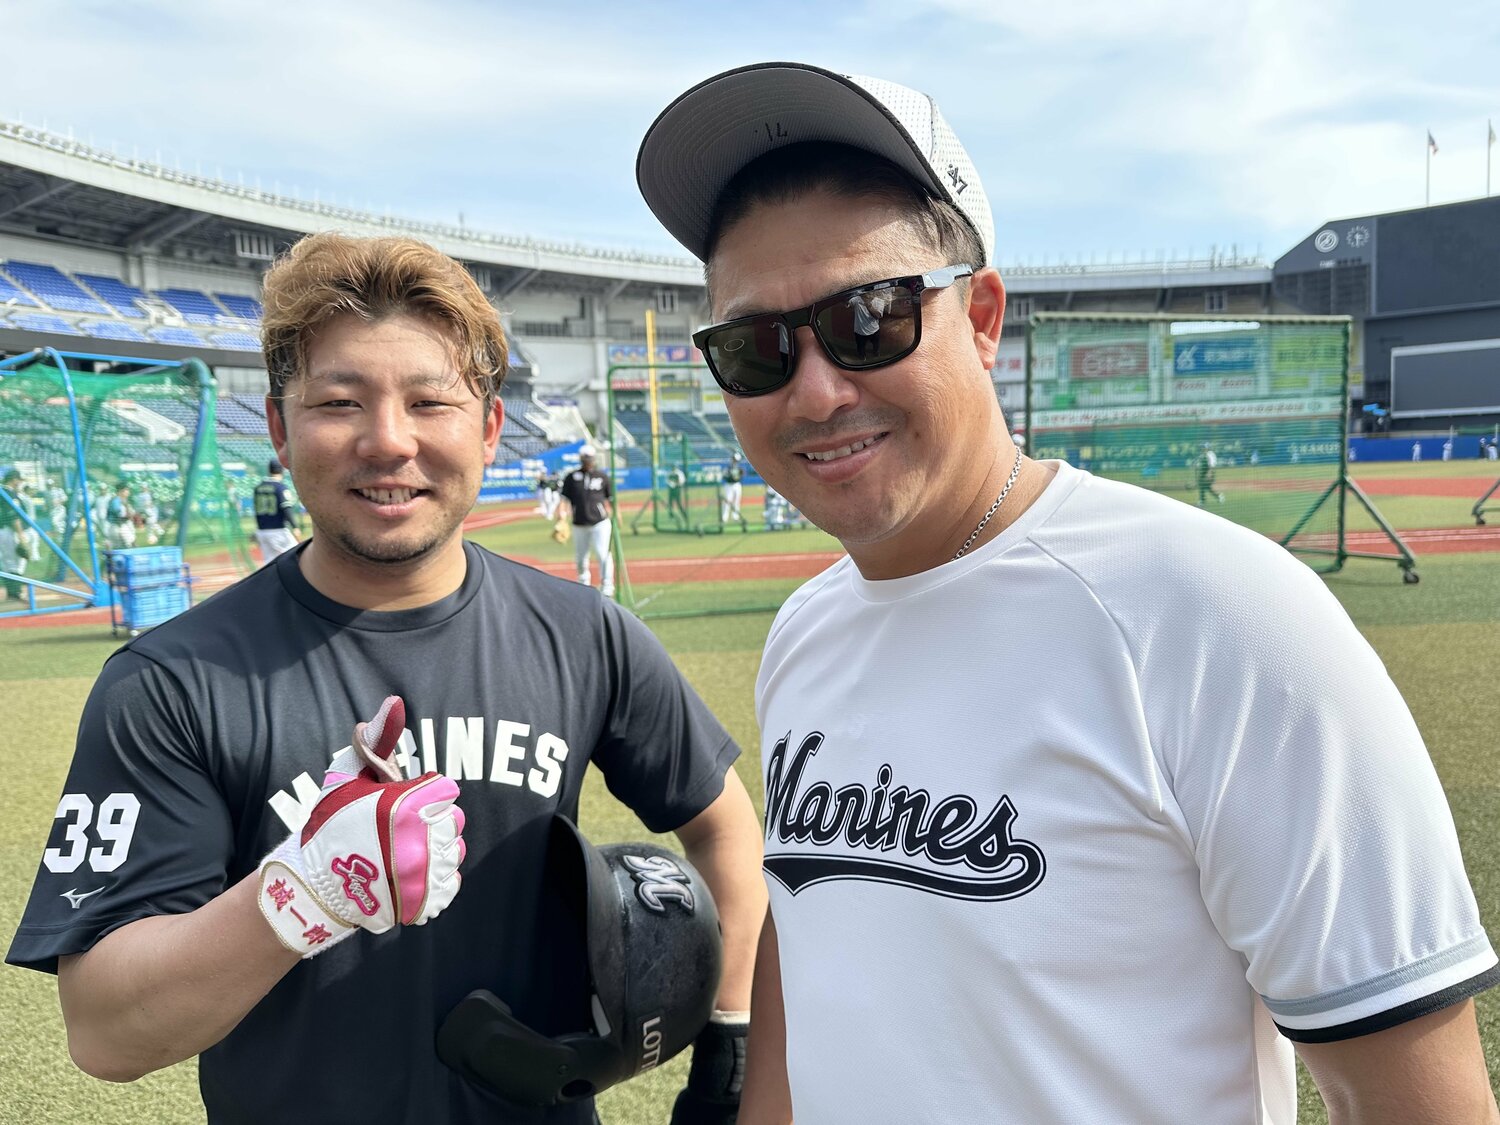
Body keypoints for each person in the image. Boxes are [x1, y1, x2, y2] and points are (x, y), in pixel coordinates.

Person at [637, 61, 1499, 1124]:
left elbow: (1417, 1098)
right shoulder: (807, 632)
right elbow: (809, 942)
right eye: (755, 348)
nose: (815, 389)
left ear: (984, 317)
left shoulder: (1222, 616)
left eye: (871, 317)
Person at [7, 232, 766, 1125]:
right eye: (339, 401)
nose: (388, 440)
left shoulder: (588, 634)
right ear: (282, 432)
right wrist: (296, 893)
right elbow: (104, 1029)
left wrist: (730, 1041)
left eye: (430, 401)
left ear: (487, 427)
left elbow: (725, 832)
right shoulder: (171, 682)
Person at [559, 444, 616, 597]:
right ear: (581, 459)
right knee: (581, 557)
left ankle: (607, 585)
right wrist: (562, 515)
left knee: (603, 554)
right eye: (585, 459)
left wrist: (617, 515)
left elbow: (609, 499)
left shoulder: (602, 476)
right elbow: (564, 499)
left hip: (600, 522)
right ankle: (583, 585)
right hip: (579, 523)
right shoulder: (572, 477)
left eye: (589, 458)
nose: (587, 461)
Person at [252, 457, 301, 565]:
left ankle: (269, 581)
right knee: (297, 556)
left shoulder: (258, 488)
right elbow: (287, 509)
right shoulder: (280, 488)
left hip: (262, 530)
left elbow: (256, 510)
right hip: (278, 531)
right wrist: (295, 527)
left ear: (269, 470)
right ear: (282, 470)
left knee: (269, 562)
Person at [0, 470, 23, 600]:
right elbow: (13, 516)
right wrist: (21, 535)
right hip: (6, 530)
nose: (19, 482)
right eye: (18, 479)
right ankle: (15, 592)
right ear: (14, 479)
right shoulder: (7, 493)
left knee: (5, 561)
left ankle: (12, 592)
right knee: (13, 561)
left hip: (2, 529)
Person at [104, 481, 136, 551]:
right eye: (127, 490)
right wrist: (129, 516)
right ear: (121, 491)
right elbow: (119, 515)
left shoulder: (122, 500)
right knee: (131, 545)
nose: (128, 492)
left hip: (119, 526)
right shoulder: (116, 501)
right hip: (118, 527)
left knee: (119, 549)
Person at [720, 452, 746, 530]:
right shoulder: (728, 467)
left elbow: (742, 475)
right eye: (734, 459)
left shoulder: (740, 467)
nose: (735, 461)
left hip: (737, 485)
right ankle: (724, 517)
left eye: (736, 460)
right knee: (727, 501)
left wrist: (740, 475)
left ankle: (736, 516)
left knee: (736, 501)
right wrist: (729, 475)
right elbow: (724, 476)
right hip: (729, 485)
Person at [1195, 441, 1224, 505]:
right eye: (1202, 447)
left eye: (1204, 447)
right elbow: (1199, 464)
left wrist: (1209, 474)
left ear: (1207, 447)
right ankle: (1218, 496)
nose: (1202, 448)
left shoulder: (1210, 454)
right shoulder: (1202, 454)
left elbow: (1212, 465)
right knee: (1206, 487)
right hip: (1202, 473)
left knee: (1203, 486)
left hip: (1208, 473)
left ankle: (1202, 501)